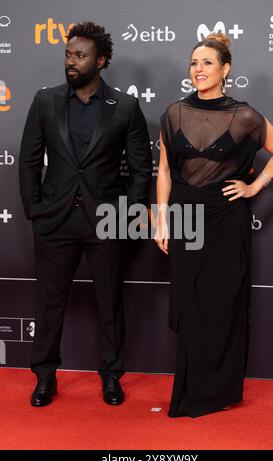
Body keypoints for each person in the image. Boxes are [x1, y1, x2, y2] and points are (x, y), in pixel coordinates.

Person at [155, 33, 273, 418]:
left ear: (225, 69)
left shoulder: (244, 115)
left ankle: (218, 390)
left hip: (226, 219)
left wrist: (253, 186)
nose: (198, 69)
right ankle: (190, 388)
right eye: (194, 63)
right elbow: (164, 171)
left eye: (207, 63)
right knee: (189, 305)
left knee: (220, 305)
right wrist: (161, 218)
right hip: (185, 217)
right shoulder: (173, 113)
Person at [19, 21, 152, 407]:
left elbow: (141, 169)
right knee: (49, 302)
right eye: (68, 54)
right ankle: (45, 377)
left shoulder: (124, 107)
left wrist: (126, 214)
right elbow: (28, 162)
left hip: (105, 222)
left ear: (101, 60)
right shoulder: (45, 101)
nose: (71, 61)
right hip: (54, 220)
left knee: (109, 303)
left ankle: (111, 377)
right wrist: (34, 209)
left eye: (80, 55)